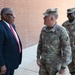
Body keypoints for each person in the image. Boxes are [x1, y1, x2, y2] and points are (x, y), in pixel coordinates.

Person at [36, 8, 72, 75]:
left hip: (54, 66)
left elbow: (66, 50)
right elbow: (40, 44)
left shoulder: (61, 31)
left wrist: (63, 67)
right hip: (43, 63)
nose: (43, 18)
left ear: (52, 18)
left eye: (45, 16)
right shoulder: (44, 29)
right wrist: (38, 57)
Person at [0, 7, 22, 75]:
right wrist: (2, 64)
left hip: (12, 61)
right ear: (5, 16)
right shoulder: (1, 28)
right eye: (12, 15)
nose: (14, 17)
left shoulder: (12, 25)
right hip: (6, 64)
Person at [62, 8, 75, 75]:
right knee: (70, 67)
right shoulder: (64, 25)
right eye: (68, 14)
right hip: (68, 51)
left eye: (71, 14)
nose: (69, 15)